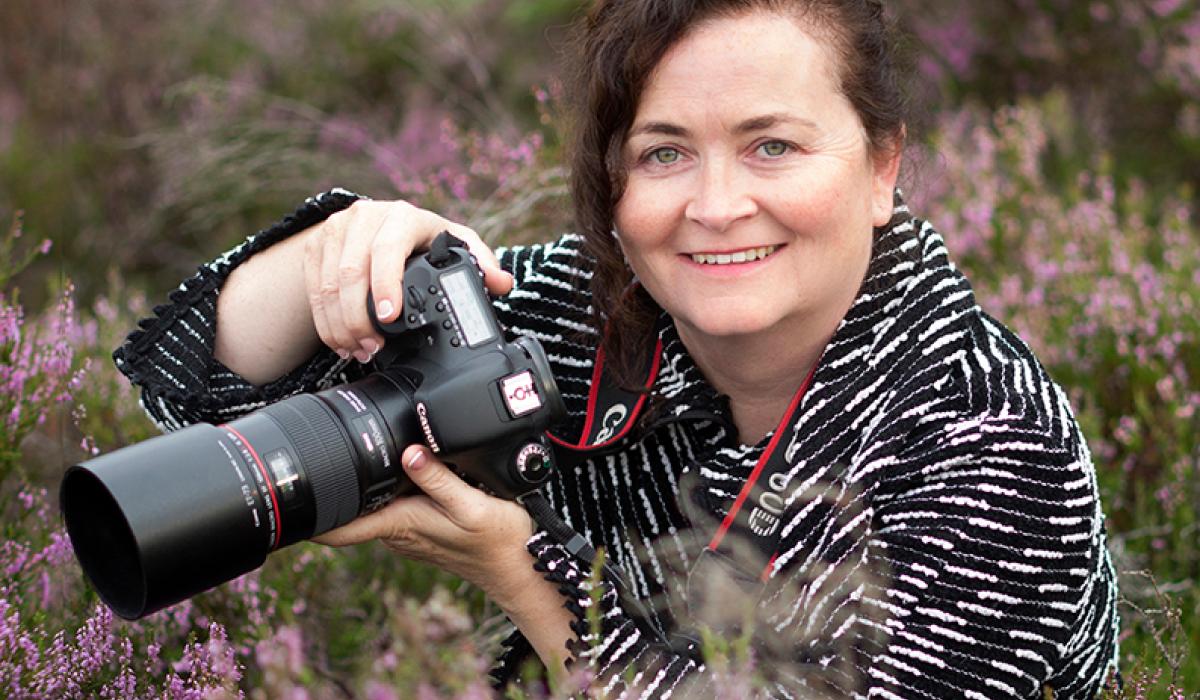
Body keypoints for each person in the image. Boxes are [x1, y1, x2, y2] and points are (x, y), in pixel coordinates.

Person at [113, 0, 1120, 696]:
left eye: (773, 145)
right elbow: (194, 390)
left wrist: (527, 578)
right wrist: (331, 259)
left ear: (881, 168)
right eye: (664, 152)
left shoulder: (990, 444)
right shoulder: (595, 312)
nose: (716, 206)